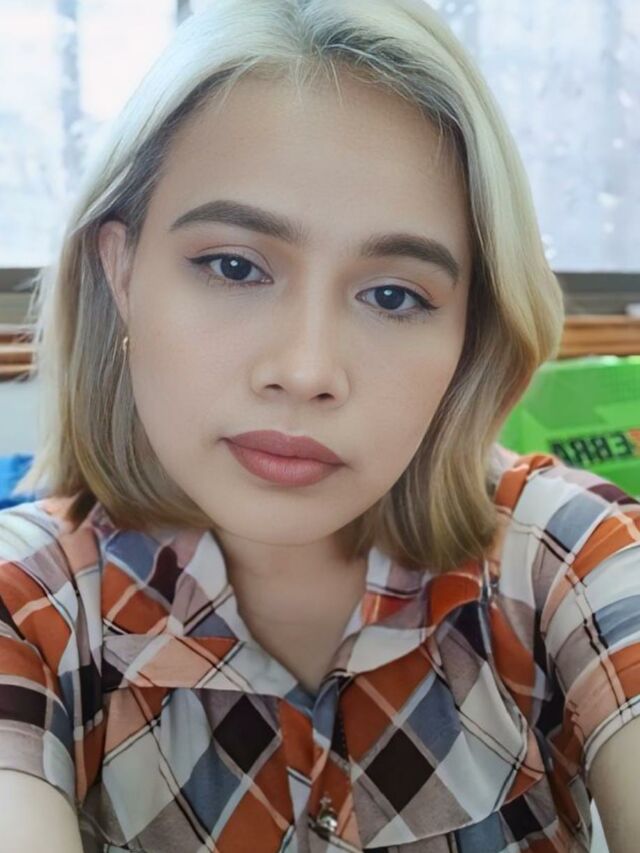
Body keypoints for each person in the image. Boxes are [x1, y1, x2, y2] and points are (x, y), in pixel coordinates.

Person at [0, 0, 638, 850]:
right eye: (234, 266)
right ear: (122, 270)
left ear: (468, 333)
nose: (305, 370)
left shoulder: (570, 556)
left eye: (394, 295)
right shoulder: (27, 607)